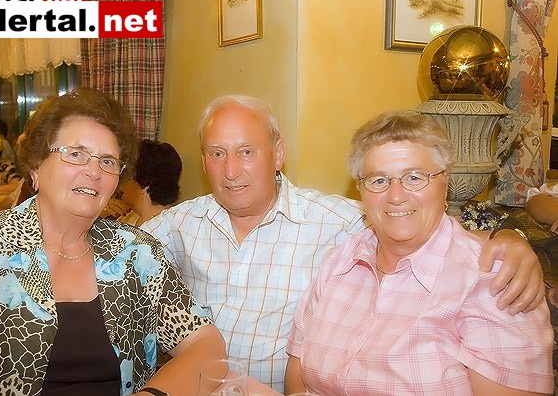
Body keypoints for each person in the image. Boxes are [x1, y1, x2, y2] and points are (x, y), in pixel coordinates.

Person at [141, 94, 545, 392]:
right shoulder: (180, 224)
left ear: (278, 154)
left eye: (246, 151)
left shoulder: (336, 223)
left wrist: (508, 238)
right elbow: (117, 249)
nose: (231, 170)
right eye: (217, 154)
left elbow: (418, 227)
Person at [0, 88, 226, 396]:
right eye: (75, 154)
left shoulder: (137, 253)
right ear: (36, 166)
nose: (94, 171)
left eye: (108, 161)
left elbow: (205, 342)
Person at [284, 110, 553, 395]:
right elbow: (297, 378)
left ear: (445, 181)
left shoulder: (494, 278)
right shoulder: (339, 261)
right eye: (378, 180)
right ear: (360, 189)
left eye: (414, 177)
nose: (396, 196)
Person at [104, 139, 183, 226]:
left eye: (126, 175)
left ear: (145, 184)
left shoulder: (167, 229)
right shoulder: (128, 217)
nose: (121, 181)